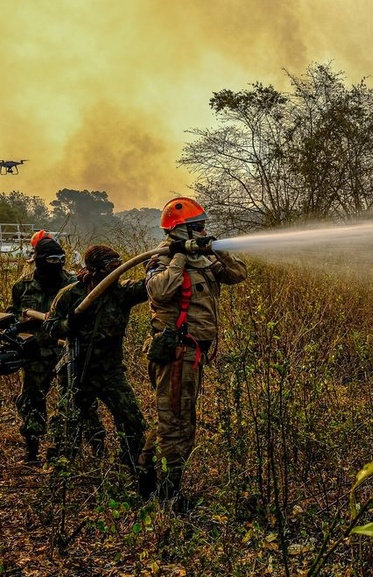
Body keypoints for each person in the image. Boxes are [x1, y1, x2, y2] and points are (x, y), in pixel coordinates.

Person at [140, 197, 246, 506]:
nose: (203, 231)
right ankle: (168, 495)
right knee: (177, 427)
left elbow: (237, 274)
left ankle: (144, 476)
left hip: (194, 354)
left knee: (172, 419)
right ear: (179, 232)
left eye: (203, 227)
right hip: (176, 354)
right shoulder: (161, 261)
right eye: (197, 227)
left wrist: (213, 249)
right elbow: (159, 291)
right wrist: (179, 258)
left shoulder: (205, 258)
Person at [43, 245, 149, 490]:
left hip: (111, 371)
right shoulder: (71, 294)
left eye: (117, 266)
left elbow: (148, 287)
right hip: (79, 370)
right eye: (109, 267)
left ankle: (136, 469)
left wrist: (162, 259)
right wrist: (70, 322)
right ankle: (61, 476)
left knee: (131, 418)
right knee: (68, 422)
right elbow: (50, 327)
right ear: (93, 269)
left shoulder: (121, 292)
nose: (115, 272)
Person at [6, 231, 103, 464]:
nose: (57, 265)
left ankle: (93, 453)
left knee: (78, 402)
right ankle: (32, 453)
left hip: (66, 354)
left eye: (60, 259)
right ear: (39, 260)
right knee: (31, 402)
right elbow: (13, 314)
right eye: (51, 260)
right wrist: (17, 325)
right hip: (34, 355)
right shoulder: (23, 286)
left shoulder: (73, 285)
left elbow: (88, 319)